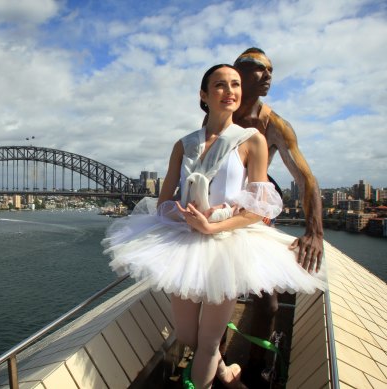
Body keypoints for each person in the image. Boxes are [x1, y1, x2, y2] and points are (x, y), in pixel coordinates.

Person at [102, 64, 326, 389]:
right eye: (220, 85)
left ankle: (208, 378)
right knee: (186, 334)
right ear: (204, 95)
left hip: (227, 246)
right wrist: (181, 214)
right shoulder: (183, 145)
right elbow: (164, 202)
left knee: (207, 344)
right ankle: (225, 372)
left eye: (235, 84)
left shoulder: (254, 141)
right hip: (184, 241)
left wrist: (213, 226)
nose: (230, 91)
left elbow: (257, 209)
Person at [232, 48, 325, 382]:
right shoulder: (220, 111)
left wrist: (315, 232)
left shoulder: (276, 125)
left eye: (271, 70)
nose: (268, 75)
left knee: (268, 304)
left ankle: (255, 371)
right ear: (238, 72)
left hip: (254, 211)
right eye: (259, 68)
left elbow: (307, 180)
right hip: (219, 210)